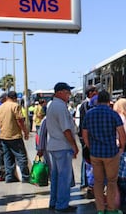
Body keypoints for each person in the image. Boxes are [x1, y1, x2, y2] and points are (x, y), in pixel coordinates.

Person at [82, 90, 126, 214]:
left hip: (95, 153)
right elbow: (121, 133)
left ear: (97, 100)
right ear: (108, 101)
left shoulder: (89, 114)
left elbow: (84, 134)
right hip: (111, 153)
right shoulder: (113, 114)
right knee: (112, 182)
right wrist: (121, 147)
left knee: (98, 182)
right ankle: (111, 209)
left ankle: (100, 209)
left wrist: (90, 146)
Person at [46, 82, 79, 212]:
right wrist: (74, 146)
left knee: (56, 177)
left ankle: (54, 202)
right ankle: (62, 205)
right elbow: (66, 130)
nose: (69, 95)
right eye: (67, 92)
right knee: (64, 178)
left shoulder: (52, 105)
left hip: (54, 146)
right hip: (62, 146)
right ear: (59, 92)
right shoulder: (60, 107)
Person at [0, 91, 30, 183]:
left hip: (4, 135)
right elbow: (20, 121)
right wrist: (25, 132)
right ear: (15, 98)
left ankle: (10, 177)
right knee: (22, 157)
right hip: (15, 135)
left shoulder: (1, 106)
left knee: (8, 157)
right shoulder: (15, 106)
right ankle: (25, 177)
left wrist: (0, 124)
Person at [78, 85, 98, 191]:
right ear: (90, 93)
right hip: (87, 138)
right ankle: (84, 182)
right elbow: (83, 124)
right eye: (95, 92)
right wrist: (84, 140)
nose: (96, 93)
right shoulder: (85, 105)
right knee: (86, 160)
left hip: (91, 137)